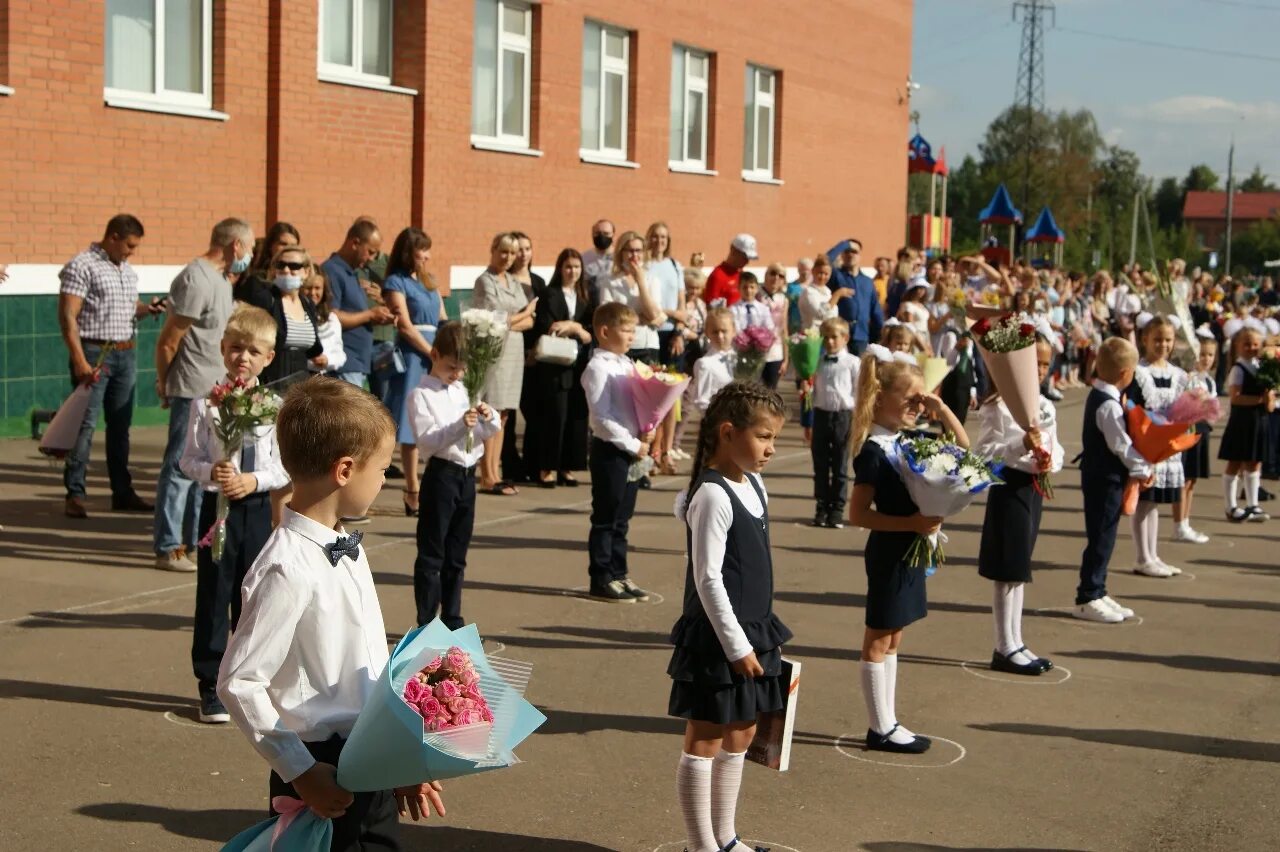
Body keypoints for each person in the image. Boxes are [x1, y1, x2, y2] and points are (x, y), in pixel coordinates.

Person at [217, 376, 446, 849]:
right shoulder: (285, 567)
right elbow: (239, 681)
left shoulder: (345, 545)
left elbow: (367, 663)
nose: (386, 479)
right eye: (383, 469)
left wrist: (399, 757)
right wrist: (300, 772)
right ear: (345, 469)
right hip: (321, 764)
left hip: (370, 751)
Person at [668, 382, 792, 852]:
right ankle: (702, 846)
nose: (770, 449)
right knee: (705, 738)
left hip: (754, 630)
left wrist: (755, 639)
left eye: (774, 439)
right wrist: (737, 646)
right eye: (763, 437)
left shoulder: (754, 483)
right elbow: (708, 579)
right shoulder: (714, 496)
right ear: (727, 432)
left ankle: (726, 837)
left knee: (742, 732)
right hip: (720, 638)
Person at [849, 348, 966, 753]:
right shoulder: (874, 450)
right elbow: (858, 513)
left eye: (922, 399)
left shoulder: (908, 439)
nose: (918, 406)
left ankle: (889, 719)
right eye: (911, 399)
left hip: (911, 546)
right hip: (890, 549)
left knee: (895, 636)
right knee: (879, 637)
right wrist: (912, 524)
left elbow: (964, 454)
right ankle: (879, 726)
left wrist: (941, 407)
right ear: (881, 399)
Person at [180, 306, 289, 723]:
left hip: (255, 507)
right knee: (213, 592)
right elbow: (186, 460)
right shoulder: (206, 404)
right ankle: (208, 682)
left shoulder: (274, 406)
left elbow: (283, 466)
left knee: (253, 595)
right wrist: (213, 471)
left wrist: (254, 480)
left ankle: (245, 678)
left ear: (268, 358)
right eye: (236, 348)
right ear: (224, 350)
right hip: (217, 508)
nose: (244, 358)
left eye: (254, 351)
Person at [151, 218, 249, 572]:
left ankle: (192, 545)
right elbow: (169, 340)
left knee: (202, 471)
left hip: (214, 389)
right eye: (247, 248)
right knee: (179, 467)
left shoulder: (222, 280)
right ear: (236, 245)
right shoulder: (196, 277)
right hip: (191, 386)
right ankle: (169, 548)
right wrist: (164, 383)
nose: (248, 256)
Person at [58, 213, 165, 519]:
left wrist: (147, 309)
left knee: (120, 427)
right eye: (129, 245)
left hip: (125, 352)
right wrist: (79, 359)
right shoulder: (82, 265)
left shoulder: (126, 269)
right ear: (113, 237)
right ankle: (75, 494)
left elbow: (125, 309)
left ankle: (122, 492)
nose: (132, 251)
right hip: (95, 352)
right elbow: (68, 315)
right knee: (84, 425)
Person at [974, 336, 1062, 676]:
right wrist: (1020, 444)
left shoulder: (1045, 404)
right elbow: (985, 454)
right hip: (1009, 486)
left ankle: (1016, 639)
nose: (1039, 370)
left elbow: (1055, 446)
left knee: (1019, 569)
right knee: (1007, 569)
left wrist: (1049, 459)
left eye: (1044, 364)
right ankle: (1004, 644)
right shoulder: (997, 406)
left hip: (1033, 486)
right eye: (1033, 363)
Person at [408, 322, 501, 629]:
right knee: (432, 553)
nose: (457, 374)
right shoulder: (421, 395)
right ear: (434, 355)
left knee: (457, 555)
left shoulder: (463, 389)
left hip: (466, 475)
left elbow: (487, 432)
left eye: (462, 368)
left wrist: (490, 417)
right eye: (451, 367)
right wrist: (462, 424)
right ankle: (426, 622)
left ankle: (452, 619)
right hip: (442, 475)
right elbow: (428, 442)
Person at [1075, 337, 1152, 623]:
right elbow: (1121, 445)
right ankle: (1088, 595)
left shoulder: (1105, 397)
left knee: (1105, 534)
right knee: (1101, 536)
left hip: (1105, 477)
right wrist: (1142, 467)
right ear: (1125, 374)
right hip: (1103, 479)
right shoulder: (1108, 405)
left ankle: (1098, 589)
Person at [583, 302, 654, 603]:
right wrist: (632, 443)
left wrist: (646, 426)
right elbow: (601, 417)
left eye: (633, 330)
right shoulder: (596, 368)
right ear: (604, 331)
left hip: (632, 450)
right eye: (626, 330)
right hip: (610, 450)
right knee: (606, 517)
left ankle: (619, 572)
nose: (632, 336)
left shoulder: (626, 364)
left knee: (623, 518)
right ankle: (600, 576)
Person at [382, 228, 443, 517]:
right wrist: (431, 354)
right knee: (410, 425)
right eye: (423, 250)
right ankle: (412, 488)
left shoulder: (430, 281)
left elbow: (443, 318)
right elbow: (404, 325)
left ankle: (433, 484)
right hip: (414, 354)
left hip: (436, 354)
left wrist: (447, 351)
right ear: (409, 252)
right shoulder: (396, 281)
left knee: (437, 418)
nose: (427, 256)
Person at [472, 232, 537, 496]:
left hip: (514, 350)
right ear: (493, 249)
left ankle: (496, 471)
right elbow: (492, 319)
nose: (508, 258)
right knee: (492, 410)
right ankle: (486, 473)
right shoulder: (483, 280)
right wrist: (522, 315)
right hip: (494, 350)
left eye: (512, 253)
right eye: (503, 252)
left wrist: (515, 319)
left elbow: (529, 321)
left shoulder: (512, 280)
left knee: (506, 413)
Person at [1127, 314, 1190, 576]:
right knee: (1145, 502)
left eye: (1168, 340)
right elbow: (1131, 407)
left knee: (1155, 504)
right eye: (1157, 339)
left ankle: (1153, 554)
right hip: (1146, 444)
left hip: (1166, 445)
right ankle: (1143, 557)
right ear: (1144, 339)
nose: (1163, 345)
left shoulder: (1178, 374)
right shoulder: (1139, 372)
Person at [529, 248, 594, 488]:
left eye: (576, 267)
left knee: (577, 417)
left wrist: (574, 327)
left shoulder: (586, 295)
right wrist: (569, 327)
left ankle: (568, 467)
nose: (572, 271)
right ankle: (547, 468)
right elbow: (546, 324)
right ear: (560, 268)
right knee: (554, 416)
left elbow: (592, 328)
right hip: (554, 365)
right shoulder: (549, 293)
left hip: (579, 364)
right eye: (568, 267)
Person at [323, 219, 394, 389]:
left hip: (358, 362)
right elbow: (331, 315)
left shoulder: (352, 272)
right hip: (345, 362)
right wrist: (370, 314)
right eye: (370, 252)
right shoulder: (332, 270)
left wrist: (377, 316)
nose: (370, 259)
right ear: (355, 243)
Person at [241, 246, 325, 389]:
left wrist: (320, 359)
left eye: (294, 266)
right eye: (281, 265)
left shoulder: (307, 303)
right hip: (270, 385)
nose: (286, 270)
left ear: (306, 271)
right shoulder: (266, 299)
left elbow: (312, 348)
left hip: (301, 386)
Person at [1220, 323, 1273, 522]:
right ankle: (1230, 506)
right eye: (1247, 344)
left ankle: (1253, 504)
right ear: (1238, 346)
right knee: (1235, 462)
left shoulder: (1264, 368)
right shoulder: (1239, 368)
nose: (1252, 348)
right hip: (1242, 421)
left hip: (1259, 421)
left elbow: (1270, 402)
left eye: (1255, 344)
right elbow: (1236, 398)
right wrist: (1259, 400)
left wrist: (1269, 398)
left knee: (1254, 463)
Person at [810, 318, 859, 529]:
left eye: (834, 337)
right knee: (820, 463)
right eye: (826, 338)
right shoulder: (817, 361)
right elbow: (814, 390)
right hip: (821, 414)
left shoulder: (853, 362)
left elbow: (858, 391)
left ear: (845, 338)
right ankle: (822, 506)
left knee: (840, 464)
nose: (830, 342)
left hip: (843, 416)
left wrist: (857, 420)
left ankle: (837, 509)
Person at [507, 231, 546, 485]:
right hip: (510, 352)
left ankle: (533, 463)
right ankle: (510, 465)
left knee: (534, 412)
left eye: (527, 248)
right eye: (518, 249)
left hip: (535, 356)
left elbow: (541, 320)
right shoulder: (505, 281)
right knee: (507, 415)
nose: (523, 254)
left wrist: (535, 351)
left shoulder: (539, 282)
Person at [1177, 329, 1217, 542]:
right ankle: (1180, 524)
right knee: (1184, 478)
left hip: (1203, 429)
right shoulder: (1187, 377)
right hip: (1188, 429)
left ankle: (1186, 520)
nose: (1206, 359)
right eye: (1202, 354)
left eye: (1210, 355)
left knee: (1192, 479)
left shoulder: (1209, 381)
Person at [827, 239, 883, 355]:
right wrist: (844, 244)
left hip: (861, 336)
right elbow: (826, 260)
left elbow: (876, 312)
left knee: (859, 371)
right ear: (842, 254)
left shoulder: (867, 281)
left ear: (860, 256)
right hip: (839, 335)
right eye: (847, 251)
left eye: (854, 251)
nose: (850, 254)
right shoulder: (837, 276)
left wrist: (876, 337)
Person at [236, 222, 300, 304]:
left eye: (293, 245)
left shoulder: (299, 278)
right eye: (283, 244)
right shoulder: (256, 280)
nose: (288, 249)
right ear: (270, 245)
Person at [689, 309, 737, 416]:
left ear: (734, 330)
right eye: (715, 332)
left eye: (724, 331)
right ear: (707, 333)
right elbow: (701, 401)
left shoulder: (744, 358)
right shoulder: (705, 363)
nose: (720, 336)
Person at [303, 269, 348, 376]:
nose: (312, 293)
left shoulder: (331, 318)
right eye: (308, 288)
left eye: (317, 288)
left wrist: (327, 360)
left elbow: (339, 354)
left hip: (321, 377)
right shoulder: (294, 315)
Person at [703, 234, 757, 308]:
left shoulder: (742, 274)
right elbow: (710, 308)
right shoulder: (717, 276)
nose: (747, 262)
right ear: (733, 251)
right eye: (744, 257)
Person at [759, 264, 790, 390]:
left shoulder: (783, 299)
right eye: (773, 273)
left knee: (771, 391)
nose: (776, 278)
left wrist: (786, 359)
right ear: (766, 275)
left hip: (775, 352)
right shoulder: (756, 295)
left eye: (781, 276)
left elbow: (784, 329)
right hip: (756, 351)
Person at [582, 218, 616, 295]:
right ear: (592, 235)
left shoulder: (620, 257)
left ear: (613, 235)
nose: (601, 236)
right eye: (597, 233)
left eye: (606, 233)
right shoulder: (584, 258)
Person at [786, 257, 813, 333]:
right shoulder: (791, 287)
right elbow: (787, 308)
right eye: (802, 269)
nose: (805, 272)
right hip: (795, 323)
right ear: (798, 270)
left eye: (807, 269)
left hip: (811, 325)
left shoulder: (815, 286)